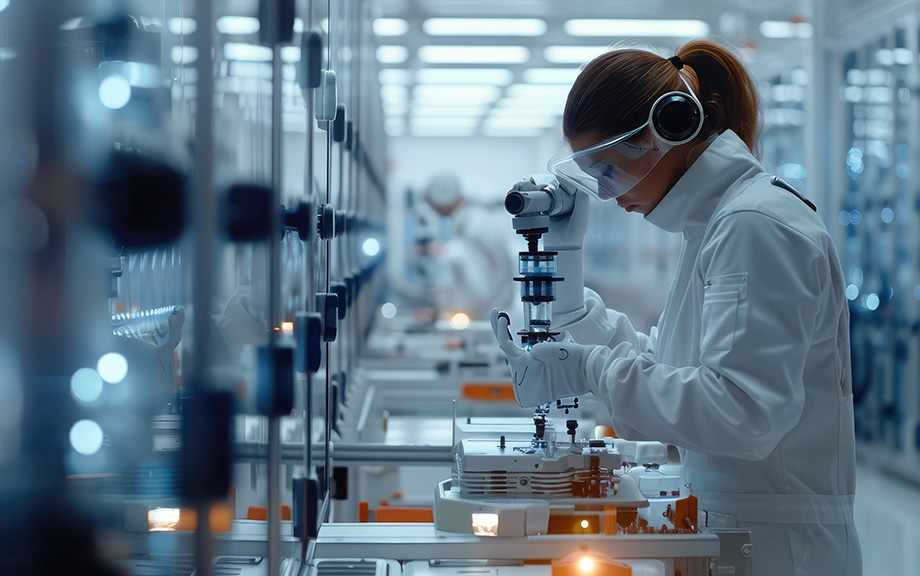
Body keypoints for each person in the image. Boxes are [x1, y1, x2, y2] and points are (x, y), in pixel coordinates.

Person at [491, 39, 861, 576]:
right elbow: (675, 368)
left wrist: (590, 369)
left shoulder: (753, 225)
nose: (603, 190)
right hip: (737, 532)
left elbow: (742, 413)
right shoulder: (715, 225)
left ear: (665, 131)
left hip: (780, 548)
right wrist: (566, 270)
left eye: (606, 168)